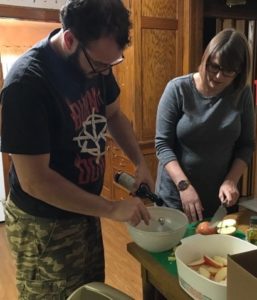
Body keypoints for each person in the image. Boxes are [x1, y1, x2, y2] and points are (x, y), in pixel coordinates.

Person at [0, 0, 154, 298]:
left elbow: (114, 115)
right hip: (44, 224)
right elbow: (36, 181)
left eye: (112, 64)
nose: (104, 72)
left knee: (88, 292)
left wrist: (141, 163)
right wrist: (110, 208)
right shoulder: (26, 84)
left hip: (83, 210)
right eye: (99, 65)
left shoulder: (98, 62)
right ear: (70, 39)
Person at [155, 28, 255, 223]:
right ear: (206, 58)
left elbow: (246, 145)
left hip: (219, 199)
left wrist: (231, 180)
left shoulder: (242, 94)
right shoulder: (178, 89)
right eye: (214, 67)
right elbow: (162, 145)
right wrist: (184, 186)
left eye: (228, 72)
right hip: (177, 196)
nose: (218, 76)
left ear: (240, 72)